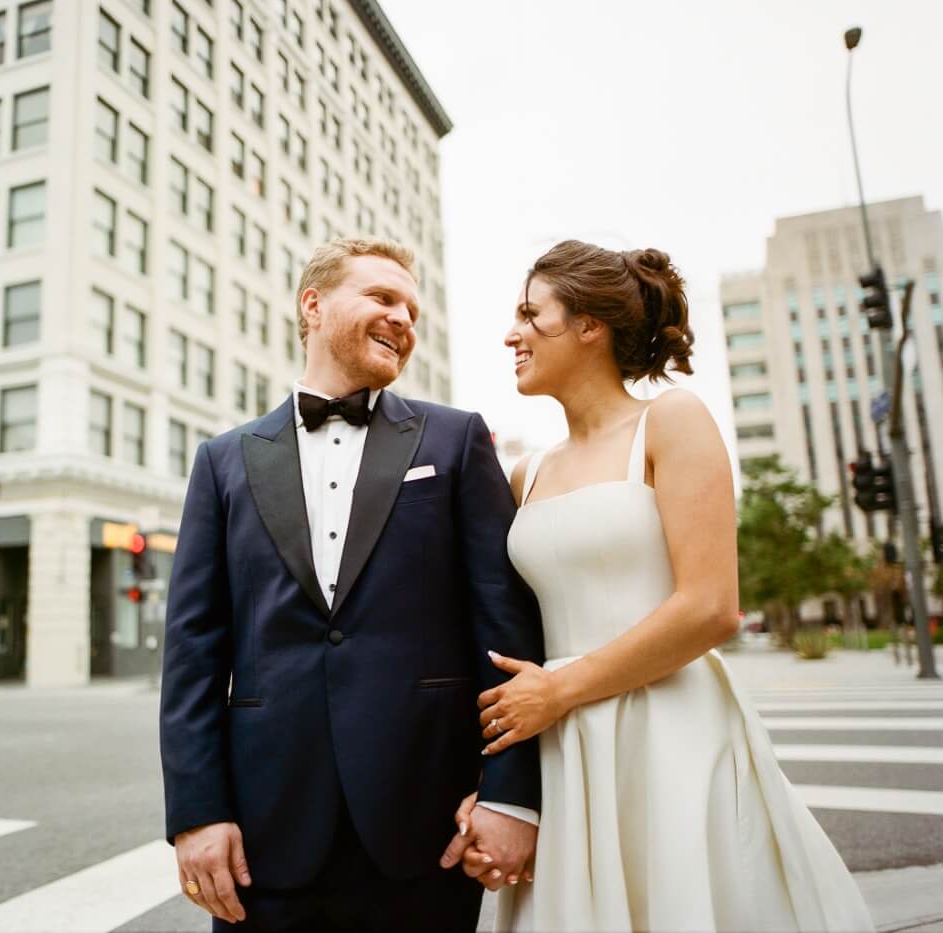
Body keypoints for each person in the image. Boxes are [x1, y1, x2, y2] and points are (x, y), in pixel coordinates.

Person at [461, 240, 873, 931]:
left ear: (590, 325)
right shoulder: (525, 472)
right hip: (562, 748)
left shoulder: (671, 420)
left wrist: (560, 688)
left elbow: (711, 607)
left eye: (532, 315)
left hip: (669, 736)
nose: (513, 333)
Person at [158, 237, 545, 931]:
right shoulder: (221, 461)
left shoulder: (455, 441)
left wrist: (510, 797)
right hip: (263, 834)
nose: (404, 318)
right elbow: (192, 651)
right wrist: (196, 812)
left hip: (429, 827)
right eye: (383, 297)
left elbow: (507, 633)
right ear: (314, 305)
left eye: (412, 309)